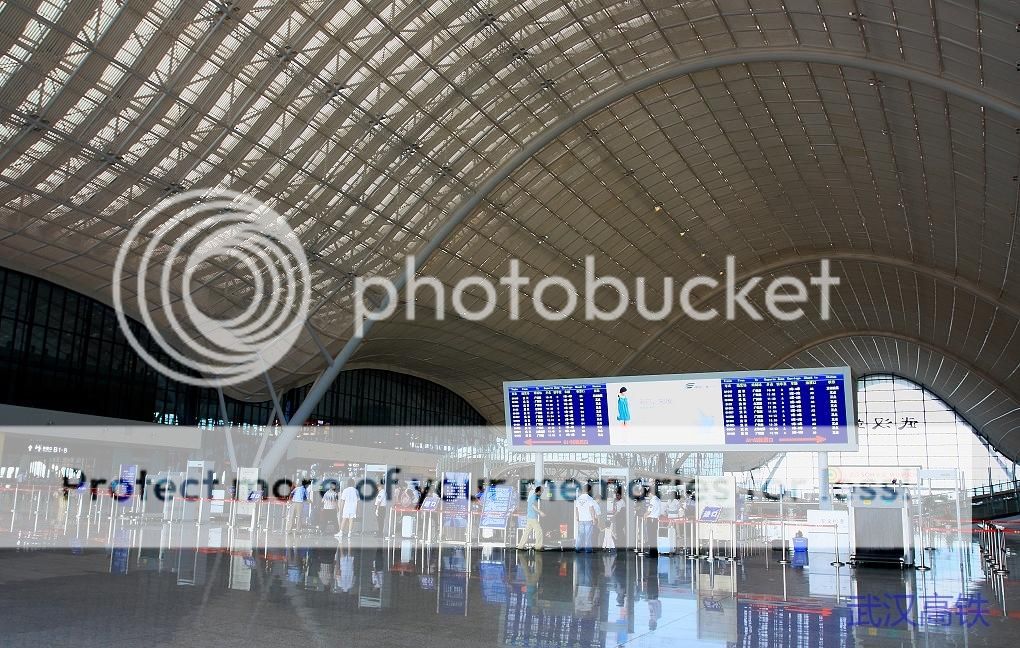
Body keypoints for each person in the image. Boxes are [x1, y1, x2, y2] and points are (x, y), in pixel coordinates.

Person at [574, 483, 600, 552]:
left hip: (581, 519)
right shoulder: (589, 498)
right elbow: (591, 509)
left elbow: (576, 509)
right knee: (588, 536)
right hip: (588, 519)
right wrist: (594, 519)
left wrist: (577, 517)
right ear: (589, 490)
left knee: (580, 535)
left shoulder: (578, 498)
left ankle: (577, 548)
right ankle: (588, 549)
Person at [517, 485, 544, 550]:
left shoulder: (532, 496)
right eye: (542, 492)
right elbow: (532, 506)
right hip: (532, 518)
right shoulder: (533, 497)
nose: (542, 493)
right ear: (539, 491)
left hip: (529, 517)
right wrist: (540, 512)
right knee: (539, 531)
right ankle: (538, 546)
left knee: (526, 532)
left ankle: (521, 546)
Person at [641, 485, 662, 556]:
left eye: (648, 494)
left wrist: (644, 515)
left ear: (650, 493)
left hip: (651, 520)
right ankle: (654, 553)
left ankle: (652, 554)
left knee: (651, 537)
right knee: (654, 537)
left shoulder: (653, 500)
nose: (648, 495)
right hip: (656, 519)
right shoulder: (658, 499)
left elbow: (649, 511)